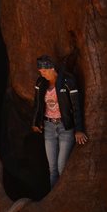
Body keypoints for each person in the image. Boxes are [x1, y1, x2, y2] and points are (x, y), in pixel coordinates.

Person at [31, 55, 88, 188]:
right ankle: (54, 200)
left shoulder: (67, 81)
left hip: (65, 128)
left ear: (52, 68)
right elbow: (37, 104)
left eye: (44, 70)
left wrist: (79, 129)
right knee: (52, 169)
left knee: (62, 167)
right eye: (40, 71)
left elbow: (76, 106)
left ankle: (67, 196)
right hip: (49, 127)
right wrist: (35, 122)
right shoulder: (40, 83)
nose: (41, 73)